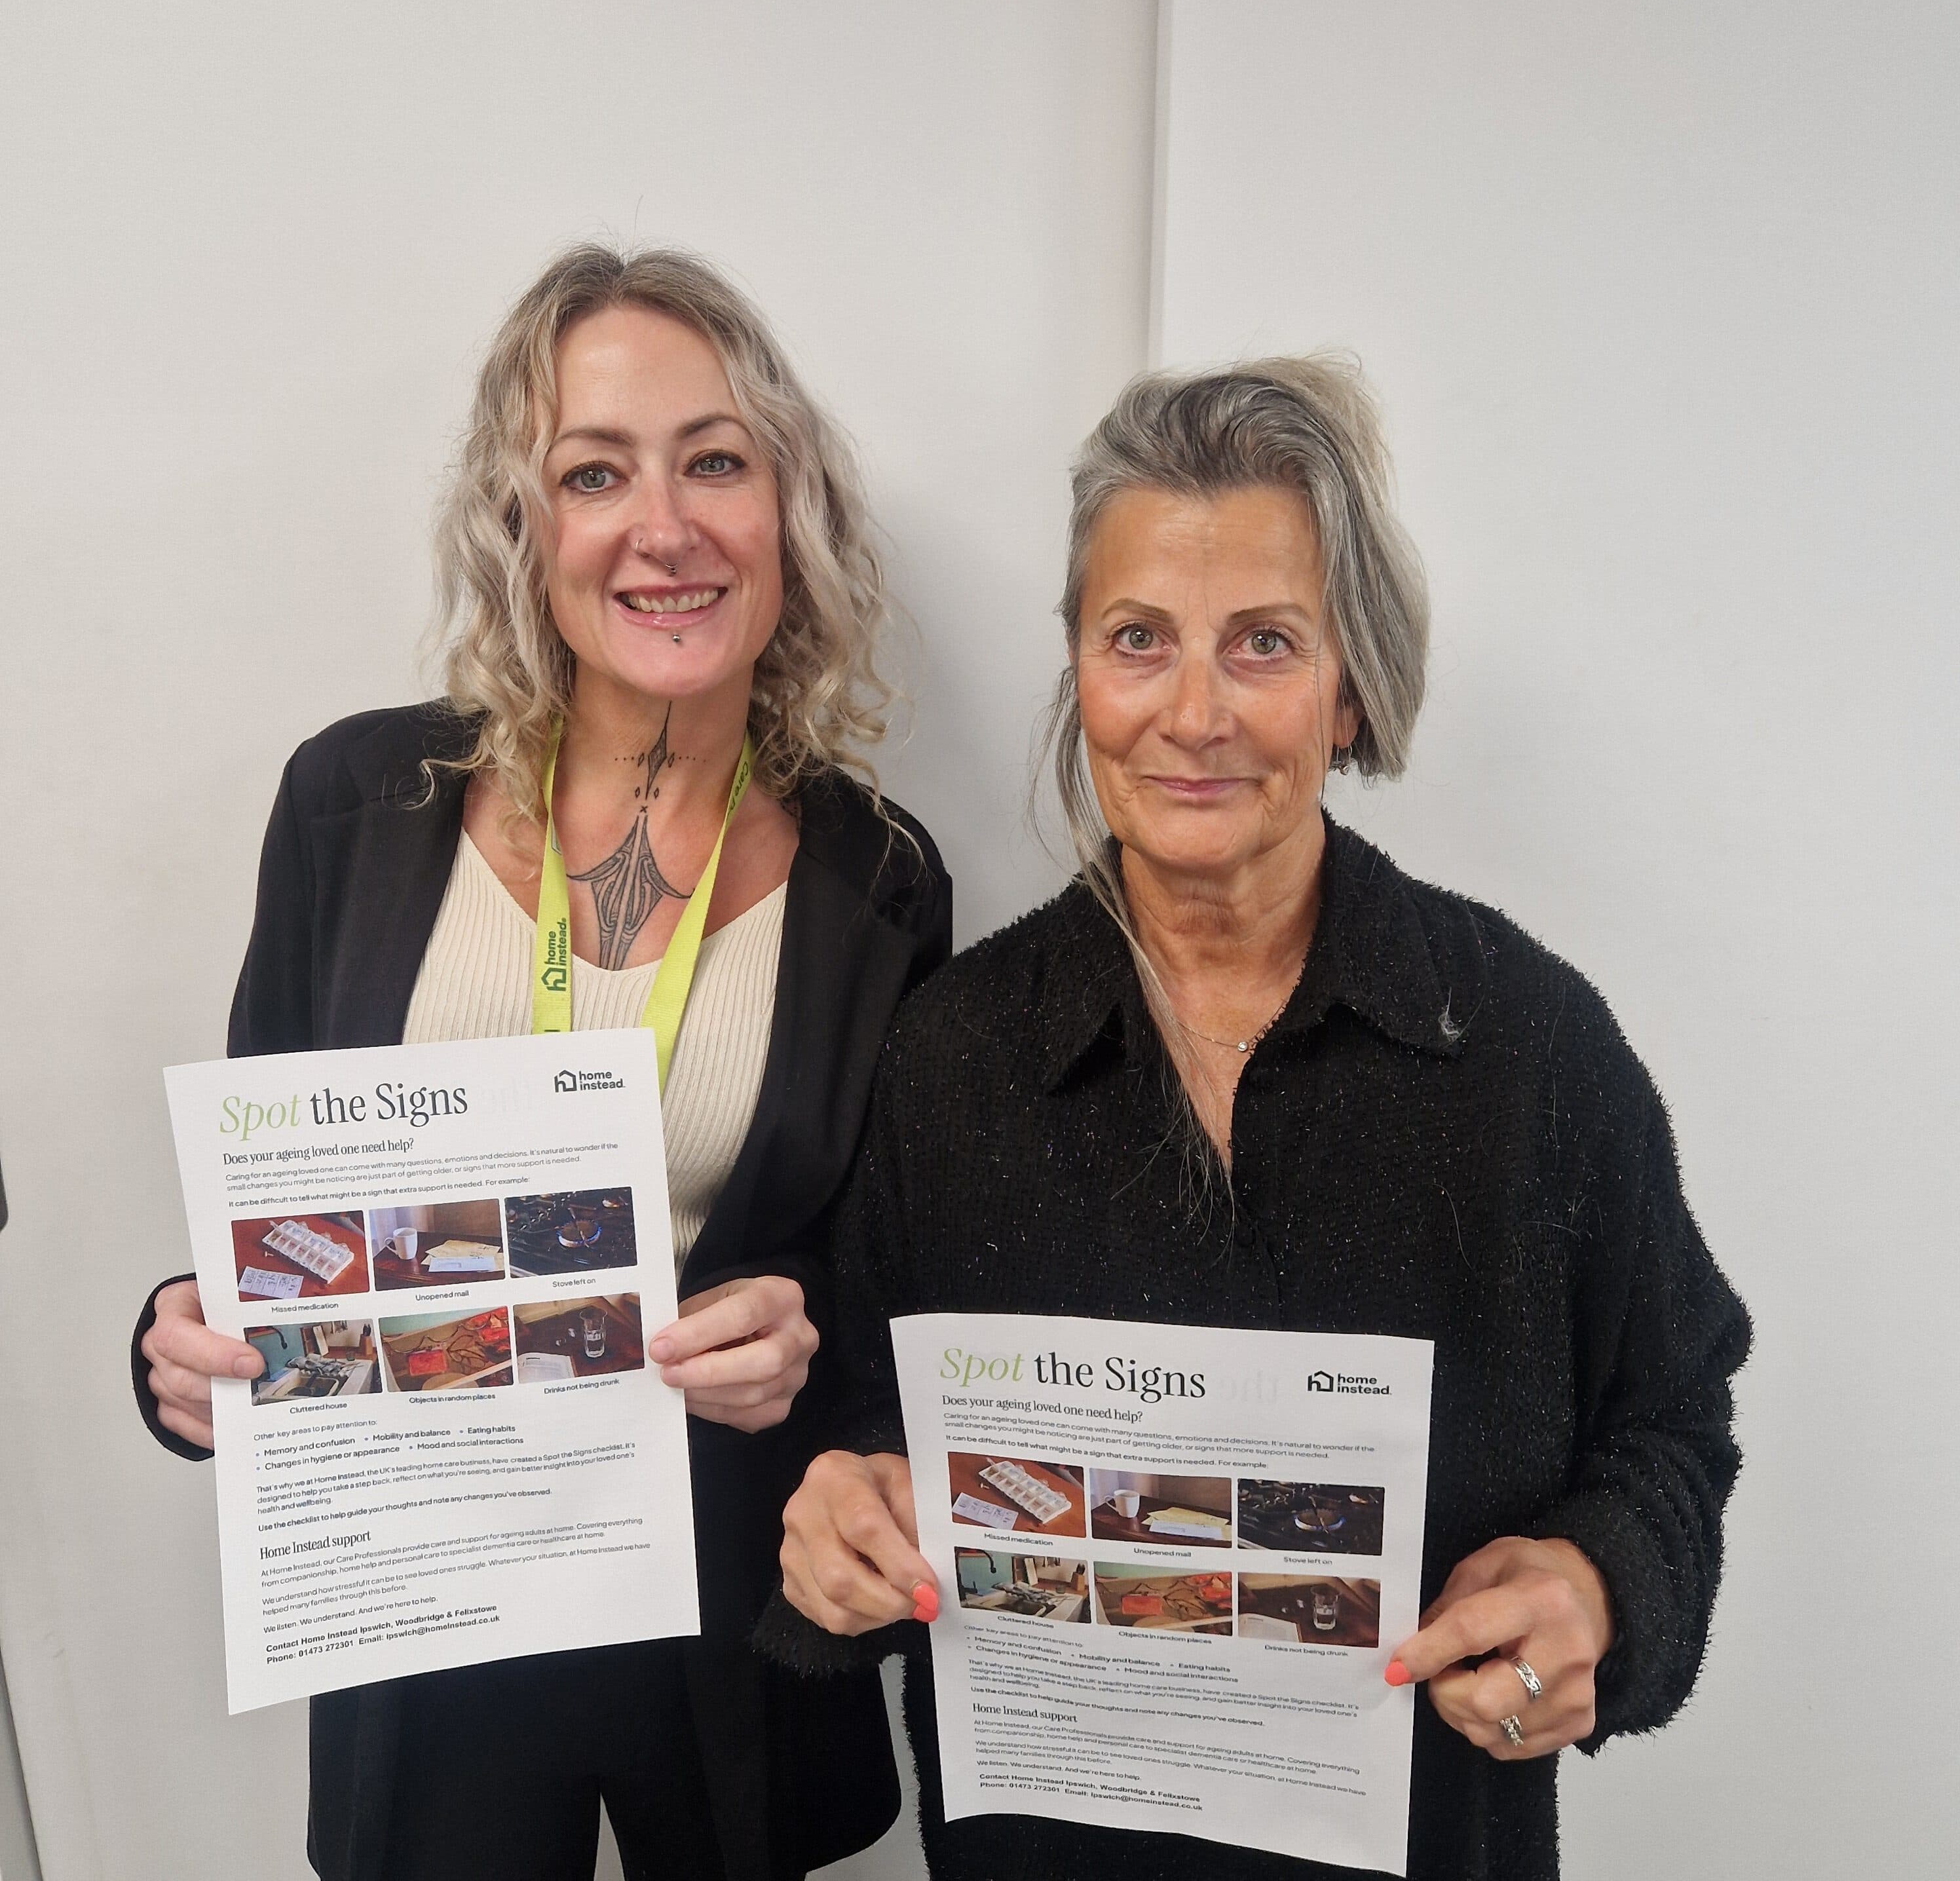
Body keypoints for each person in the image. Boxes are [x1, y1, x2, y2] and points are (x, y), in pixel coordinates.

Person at [773, 356, 1752, 1880]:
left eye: (1264, 643)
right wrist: (839, 1508)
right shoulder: (952, 1057)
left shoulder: (1521, 1044)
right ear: (1080, 670)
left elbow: (1672, 1416)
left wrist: (1610, 1587)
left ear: (1348, 678)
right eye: (1138, 639)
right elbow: (856, 1415)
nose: (1193, 711)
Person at [130, 244, 949, 1881]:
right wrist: (178, 1347)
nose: (665, 525)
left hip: (720, 1623)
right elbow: (263, 1218)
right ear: (527, 528)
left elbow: (884, 1299)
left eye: (715, 459)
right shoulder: (355, 810)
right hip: (425, 1624)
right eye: (595, 471)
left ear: (790, 510)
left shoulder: (878, 882)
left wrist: (801, 1334)